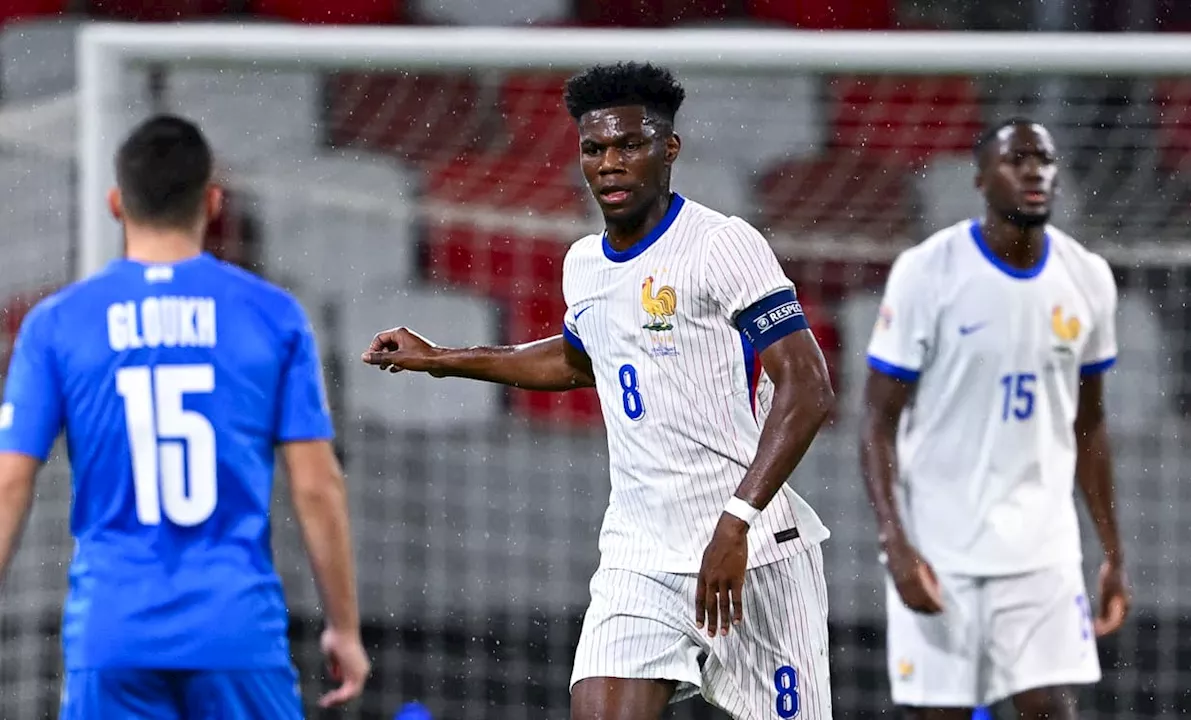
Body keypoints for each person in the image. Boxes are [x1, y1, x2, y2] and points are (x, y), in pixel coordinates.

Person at [362, 62, 835, 720]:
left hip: (751, 551)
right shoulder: (583, 264)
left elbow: (807, 387)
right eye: (595, 148)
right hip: (640, 554)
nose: (610, 163)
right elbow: (580, 361)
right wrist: (442, 358)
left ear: (668, 150)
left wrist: (736, 522)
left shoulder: (722, 245)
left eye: (630, 146)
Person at [0, 115, 370, 719]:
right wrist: (344, 629)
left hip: (112, 629)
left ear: (116, 203)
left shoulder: (58, 323)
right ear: (214, 202)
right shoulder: (271, 316)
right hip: (234, 627)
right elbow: (316, 485)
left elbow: (10, 480)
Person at [859, 117, 1132, 719]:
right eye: (1016, 159)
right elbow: (876, 422)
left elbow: (1090, 425)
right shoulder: (928, 272)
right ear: (981, 178)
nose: (1034, 170)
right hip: (940, 547)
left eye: (1045, 159)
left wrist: (1111, 550)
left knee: (1051, 709)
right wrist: (896, 543)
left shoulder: (1087, 278)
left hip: (1042, 551)